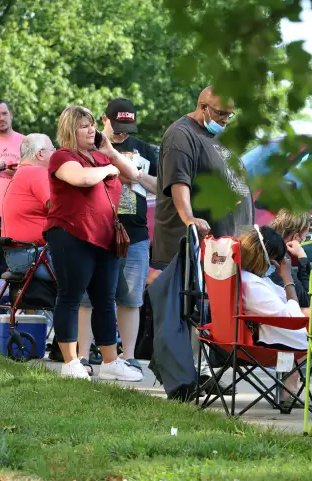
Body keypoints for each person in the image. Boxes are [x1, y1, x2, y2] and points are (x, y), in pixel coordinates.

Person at [44, 105, 144, 382]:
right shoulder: (62, 157)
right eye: (84, 126)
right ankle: (70, 361)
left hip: (105, 237)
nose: (92, 130)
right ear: (70, 129)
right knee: (71, 296)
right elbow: (83, 179)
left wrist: (110, 153)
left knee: (105, 300)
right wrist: (107, 168)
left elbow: (134, 174)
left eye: (92, 125)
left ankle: (111, 361)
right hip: (71, 234)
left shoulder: (100, 157)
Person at [78, 98, 158, 372]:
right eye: (118, 126)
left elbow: (161, 187)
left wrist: (135, 177)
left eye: (128, 128)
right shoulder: (89, 145)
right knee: (89, 296)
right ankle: (84, 355)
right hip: (97, 230)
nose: (123, 133)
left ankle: (129, 356)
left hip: (134, 233)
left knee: (131, 297)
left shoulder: (144, 149)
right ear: (104, 120)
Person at [153, 86, 254, 265]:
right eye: (221, 113)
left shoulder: (221, 138)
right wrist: (189, 219)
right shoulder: (182, 135)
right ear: (203, 107)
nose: (226, 121)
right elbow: (178, 181)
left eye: (230, 115)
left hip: (228, 250)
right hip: (196, 254)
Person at [239, 225, 312, 401]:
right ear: (266, 258)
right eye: (275, 260)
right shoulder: (253, 286)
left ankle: (290, 390)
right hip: (263, 341)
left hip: (257, 330)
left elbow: (288, 303)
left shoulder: (249, 278)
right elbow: (293, 319)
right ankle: (289, 391)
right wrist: (287, 278)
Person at [2, 134, 54, 246]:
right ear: (40, 154)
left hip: (19, 252)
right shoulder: (36, 172)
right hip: (34, 252)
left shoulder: (22, 172)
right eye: (53, 150)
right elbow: (58, 207)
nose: (55, 154)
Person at [268, 209, 312, 306]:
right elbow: (305, 301)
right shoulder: (281, 258)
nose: (303, 241)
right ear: (296, 237)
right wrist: (302, 256)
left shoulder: (269, 248)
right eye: (304, 238)